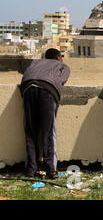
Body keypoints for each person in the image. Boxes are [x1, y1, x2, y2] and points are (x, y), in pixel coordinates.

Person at [20, 48, 71, 179]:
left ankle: (31, 169)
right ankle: (51, 170)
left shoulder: (35, 62)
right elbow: (62, 80)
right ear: (59, 57)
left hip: (28, 89)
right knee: (48, 132)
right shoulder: (62, 65)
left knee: (31, 131)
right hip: (47, 91)